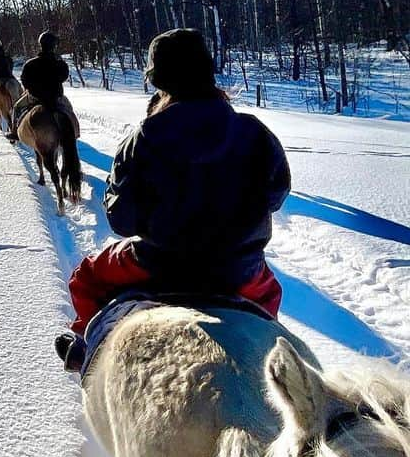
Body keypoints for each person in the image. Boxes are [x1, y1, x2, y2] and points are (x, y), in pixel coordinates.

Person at [57, 28, 289, 370]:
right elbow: (276, 195)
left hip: (156, 263)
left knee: (87, 277)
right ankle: (267, 358)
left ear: (159, 83)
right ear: (209, 72)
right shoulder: (255, 132)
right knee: (270, 295)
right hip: (238, 268)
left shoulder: (143, 136)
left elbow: (121, 220)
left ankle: (85, 346)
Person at [7, 30, 71, 142]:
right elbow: (64, 77)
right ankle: (74, 131)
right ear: (54, 46)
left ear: (40, 45)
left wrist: (33, 89)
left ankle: (14, 132)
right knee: (69, 110)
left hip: (35, 97)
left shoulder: (30, 63)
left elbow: (24, 81)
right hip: (56, 97)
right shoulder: (60, 63)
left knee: (16, 108)